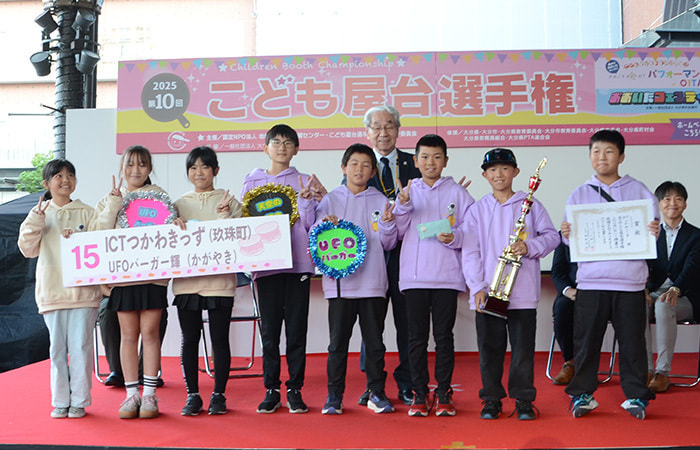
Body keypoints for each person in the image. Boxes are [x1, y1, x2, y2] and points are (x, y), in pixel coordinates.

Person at [562, 129, 659, 420]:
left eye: (609, 151)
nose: (601, 157)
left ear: (621, 156)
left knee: (633, 343)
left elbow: (651, 230)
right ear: (589, 156)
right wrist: (566, 234)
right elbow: (571, 241)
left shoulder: (639, 191)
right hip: (591, 281)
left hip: (630, 282)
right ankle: (582, 395)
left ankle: (636, 396)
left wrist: (653, 230)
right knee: (587, 342)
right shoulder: (579, 193)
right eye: (596, 151)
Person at [462, 148, 558, 420]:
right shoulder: (477, 210)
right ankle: (491, 399)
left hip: (522, 292)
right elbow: (470, 252)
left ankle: (523, 400)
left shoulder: (531, 205)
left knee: (522, 350)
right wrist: (476, 287)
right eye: (492, 169)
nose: (499, 174)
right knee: (489, 350)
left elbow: (552, 237)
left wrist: (529, 246)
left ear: (516, 172)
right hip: (488, 293)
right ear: (485, 175)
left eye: (505, 168)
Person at [308, 143, 398, 415]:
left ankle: (376, 393)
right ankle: (334, 397)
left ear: (373, 172)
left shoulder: (381, 200)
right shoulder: (330, 199)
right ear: (344, 168)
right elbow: (315, 237)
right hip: (340, 286)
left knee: (375, 344)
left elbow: (389, 243)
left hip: (372, 283)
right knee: (337, 345)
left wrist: (387, 224)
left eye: (366, 165)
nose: (359, 169)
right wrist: (323, 226)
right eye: (354, 164)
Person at [241, 124, 324, 414]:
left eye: (288, 143)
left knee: (297, 330)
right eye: (276, 142)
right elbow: (246, 223)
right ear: (265, 148)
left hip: (298, 264)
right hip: (267, 266)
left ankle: (295, 389)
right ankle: (272, 389)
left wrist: (307, 203)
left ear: (296, 149)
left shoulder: (305, 180)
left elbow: (311, 225)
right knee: (270, 332)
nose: (282, 147)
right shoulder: (252, 182)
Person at [391, 134, 474, 417]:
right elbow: (395, 234)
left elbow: (473, 231)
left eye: (437, 157)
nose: (430, 162)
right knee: (416, 339)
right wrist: (402, 206)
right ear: (415, 161)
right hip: (414, 278)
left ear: (446, 161)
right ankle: (419, 392)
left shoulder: (458, 193)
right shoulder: (407, 192)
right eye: (425, 157)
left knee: (444, 338)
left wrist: (455, 237)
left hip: (446, 278)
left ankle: (444, 392)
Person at [94, 145, 178, 419]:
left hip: (153, 277)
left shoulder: (160, 196)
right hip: (124, 278)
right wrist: (113, 204)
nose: (135, 170)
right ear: (121, 168)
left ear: (150, 168)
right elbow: (99, 234)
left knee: (150, 334)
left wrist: (178, 224)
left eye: (142, 164)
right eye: (130, 164)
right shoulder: (111, 198)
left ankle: (150, 394)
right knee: (128, 336)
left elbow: (171, 233)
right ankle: (131, 395)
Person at [18, 159, 102, 419]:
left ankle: (79, 401)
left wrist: (79, 237)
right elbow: (27, 249)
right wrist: (37, 220)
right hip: (52, 292)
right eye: (58, 176)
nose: (66, 180)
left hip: (83, 294)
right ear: (47, 183)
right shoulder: (39, 213)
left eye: (70, 175)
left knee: (81, 348)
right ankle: (60, 401)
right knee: (57, 350)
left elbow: (100, 245)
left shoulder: (88, 212)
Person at [357, 105, 421, 407]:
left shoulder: (414, 164)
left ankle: (408, 382)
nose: (383, 132)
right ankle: (373, 384)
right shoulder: (359, 164)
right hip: (371, 256)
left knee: (408, 323)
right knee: (372, 324)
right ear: (367, 132)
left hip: (407, 255)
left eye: (389, 126)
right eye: (377, 127)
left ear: (398, 129)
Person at [174, 146, 243, 415]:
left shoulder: (229, 200)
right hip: (187, 283)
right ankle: (192, 395)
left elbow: (240, 239)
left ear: (216, 170)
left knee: (220, 339)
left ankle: (219, 395)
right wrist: (172, 225)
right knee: (190, 338)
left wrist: (226, 215)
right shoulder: (177, 204)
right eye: (193, 167)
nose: (199, 172)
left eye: (205, 166)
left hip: (220, 283)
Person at [645, 181, 700, 393]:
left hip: (685, 297)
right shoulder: (651, 234)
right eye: (666, 198)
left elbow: (692, 267)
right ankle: (646, 370)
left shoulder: (695, 236)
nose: (672, 203)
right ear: (659, 204)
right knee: (636, 304)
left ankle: (662, 372)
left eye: (678, 198)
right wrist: (644, 289)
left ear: (685, 204)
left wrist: (676, 288)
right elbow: (643, 265)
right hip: (654, 292)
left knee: (663, 304)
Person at [550, 236, 578, 385]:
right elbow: (557, 272)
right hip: (574, 292)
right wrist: (568, 291)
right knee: (562, 308)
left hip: (604, 291)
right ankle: (570, 362)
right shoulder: (565, 235)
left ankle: (588, 365)